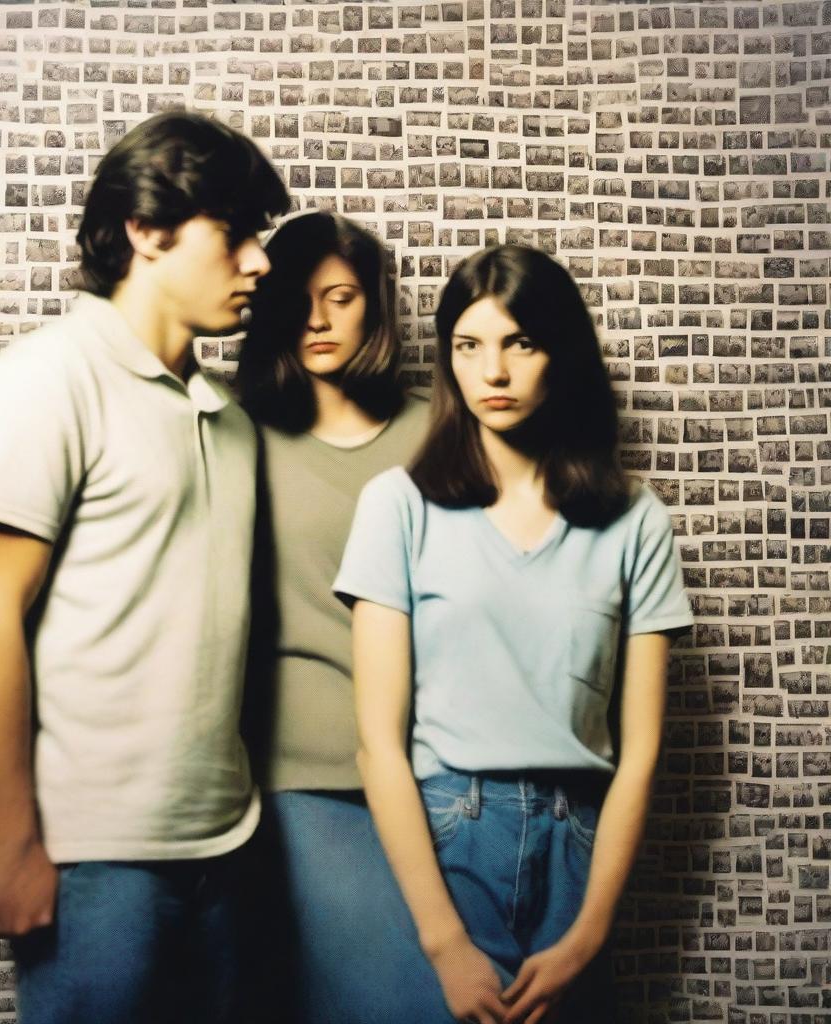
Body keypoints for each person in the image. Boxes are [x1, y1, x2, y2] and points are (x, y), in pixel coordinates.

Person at [0, 110, 289, 1024]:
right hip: (92, 860)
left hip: (229, 843)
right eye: (237, 233)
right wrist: (13, 843)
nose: (260, 262)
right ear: (146, 230)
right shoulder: (45, 380)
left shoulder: (229, 415)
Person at [334, 244, 693, 1024]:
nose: (492, 372)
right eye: (469, 346)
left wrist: (588, 934)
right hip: (445, 842)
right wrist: (443, 943)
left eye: (519, 343)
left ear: (559, 352)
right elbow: (379, 746)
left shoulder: (638, 520)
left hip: (580, 850)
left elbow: (641, 756)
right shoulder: (396, 505)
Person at [236, 211, 446, 1022]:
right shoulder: (236, 434)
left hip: (440, 772)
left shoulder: (438, 432)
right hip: (306, 777)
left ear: (377, 306)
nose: (317, 320)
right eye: (296, 299)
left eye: (342, 297)